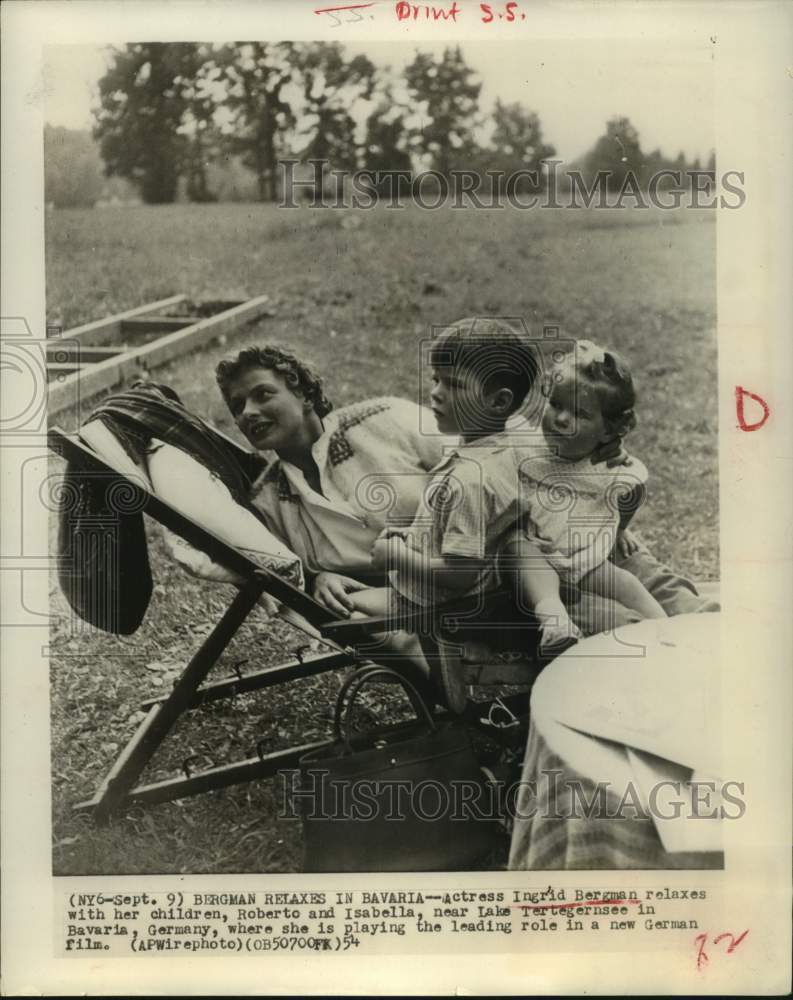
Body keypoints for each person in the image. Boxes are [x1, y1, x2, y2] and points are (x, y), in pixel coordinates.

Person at [214, 342, 716, 651]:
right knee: (620, 626)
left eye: (263, 393)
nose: (248, 412)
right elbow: (286, 574)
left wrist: (591, 497)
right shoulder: (271, 500)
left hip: (526, 532)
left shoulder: (381, 421)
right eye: (237, 406)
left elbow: (497, 449)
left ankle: (707, 626)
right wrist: (319, 576)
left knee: (634, 571)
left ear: (303, 392)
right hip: (461, 591)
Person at [506, 340, 665, 652]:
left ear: (607, 431)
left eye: (579, 413)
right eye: (556, 404)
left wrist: (619, 528)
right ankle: (555, 622)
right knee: (521, 552)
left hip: (583, 558)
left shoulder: (609, 468)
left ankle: (671, 633)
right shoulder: (523, 445)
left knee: (627, 584)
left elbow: (634, 489)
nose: (561, 419)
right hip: (534, 547)